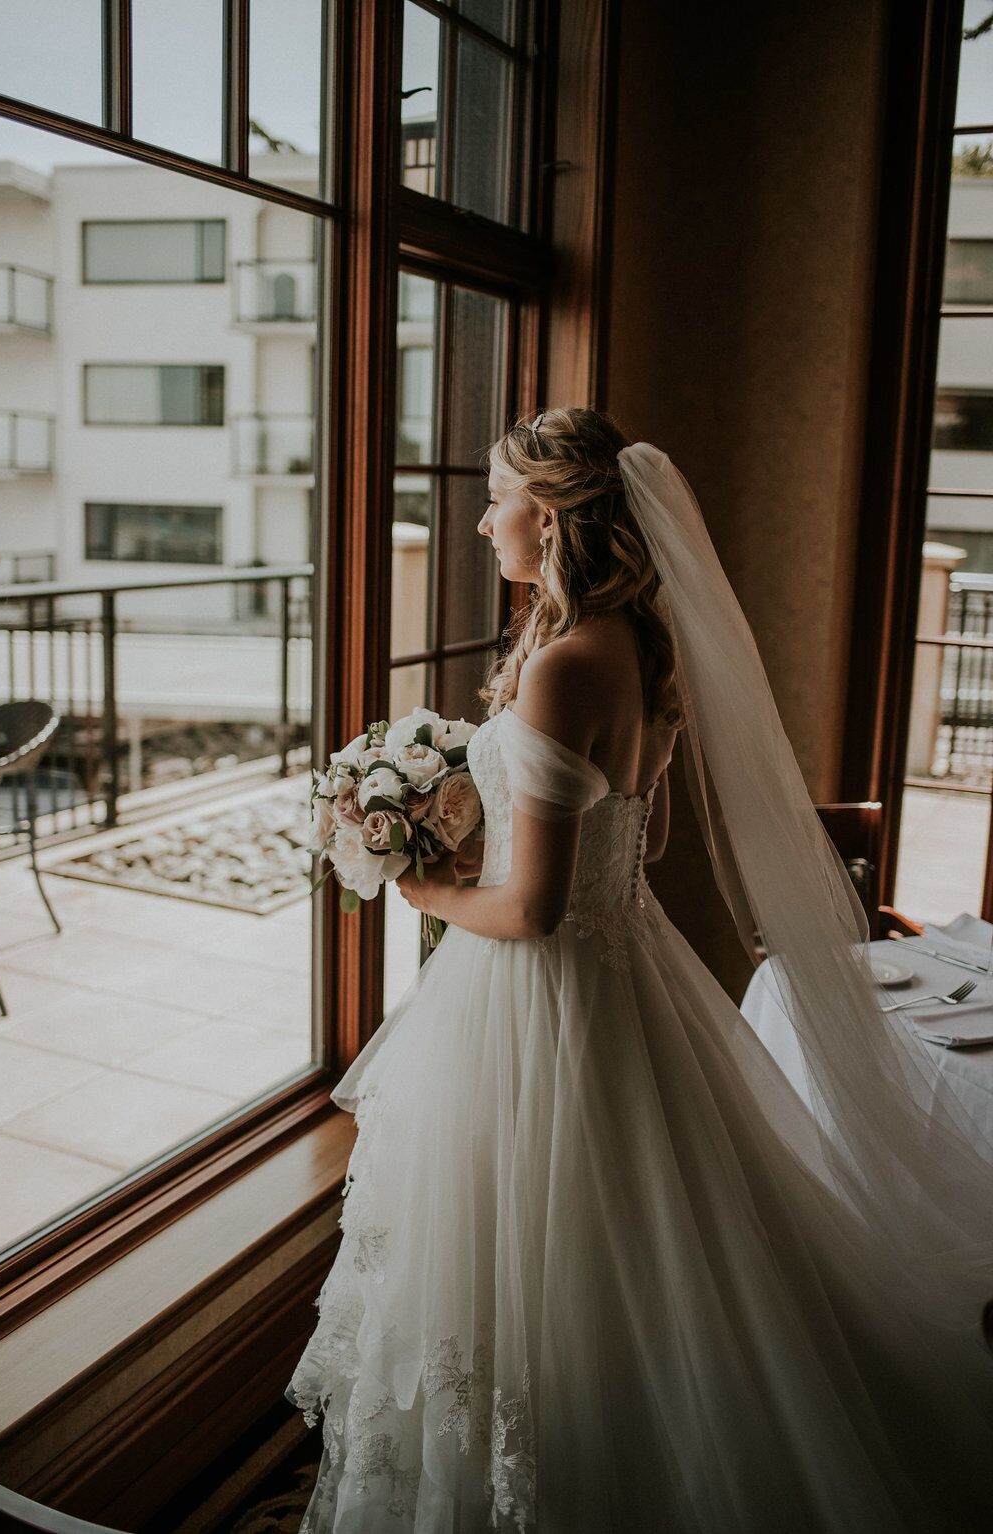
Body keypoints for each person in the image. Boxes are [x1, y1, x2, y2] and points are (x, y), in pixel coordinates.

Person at [286, 408, 993, 1532]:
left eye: (498, 498)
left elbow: (532, 909)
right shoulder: (637, 645)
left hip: (542, 995)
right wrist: (479, 829)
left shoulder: (565, 664)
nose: (479, 523)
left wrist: (421, 888)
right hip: (626, 969)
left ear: (554, 515)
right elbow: (637, 843)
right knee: (652, 1242)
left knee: (538, 1247)